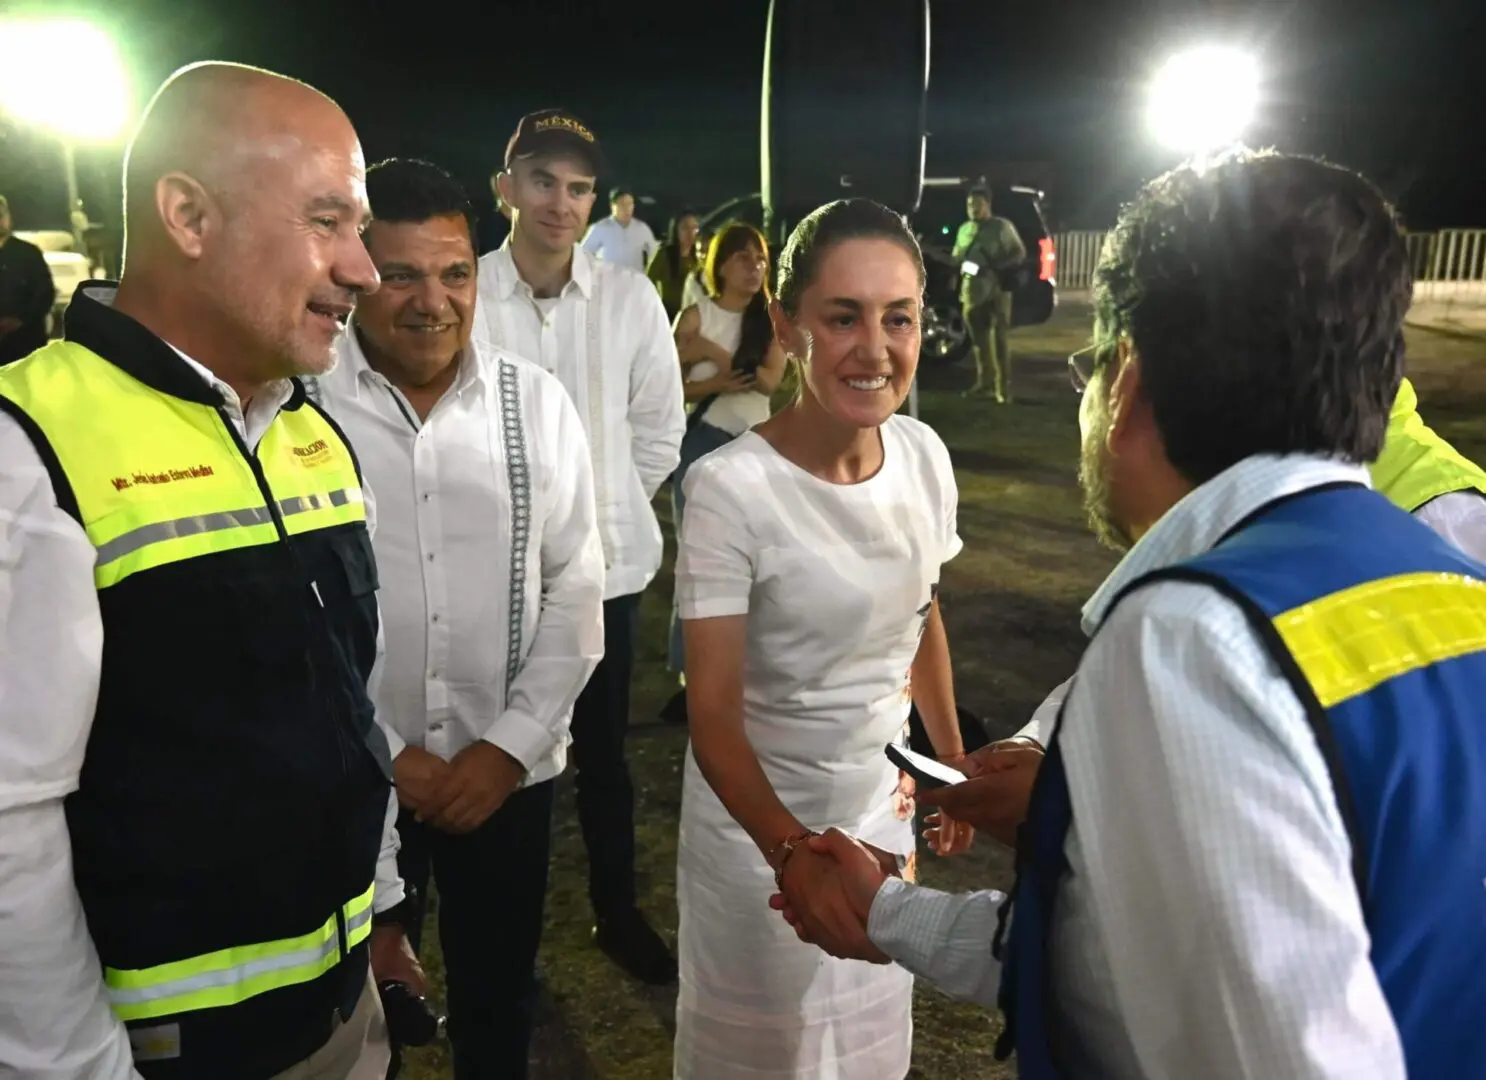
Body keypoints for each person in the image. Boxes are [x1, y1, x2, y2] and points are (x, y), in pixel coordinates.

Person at [775, 151, 1486, 1080]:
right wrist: (894, 912)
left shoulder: (1193, 636)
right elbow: (1156, 967)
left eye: (1091, 368)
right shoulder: (1449, 577)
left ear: (1128, 384)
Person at [0, 62, 422, 1079]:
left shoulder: (310, 433)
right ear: (188, 215)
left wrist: (381, 913)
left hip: (341, 1013)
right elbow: (9, 827)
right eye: (328, 220)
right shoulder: (28, 450)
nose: (364, 270)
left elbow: (347, 713)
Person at [310, 158, 605, 1078]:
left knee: (497, 997)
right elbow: (288, 617)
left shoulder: (537, 403)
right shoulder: (302, 406)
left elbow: (577, 585)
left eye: (455, 274)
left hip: (503, 779)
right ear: (358, 273)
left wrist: (507, 749)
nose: (432, 302)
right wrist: (383, 753)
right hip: (351, 777)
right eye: (400, 275)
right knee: (357, 1009)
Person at [674, 198, 975, 1079]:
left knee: (866, 1053)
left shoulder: (924, 455)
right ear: (786, 325)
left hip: (881, 823)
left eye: (898, 318)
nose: (875, 349)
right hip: (759, 838)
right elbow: (713, 715)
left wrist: (951, 765)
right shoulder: (731, 490)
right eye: (843, 318)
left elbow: (923, 614)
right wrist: (791, 853)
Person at [473, 109, 685, 983]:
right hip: (492, 579)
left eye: (579, 187)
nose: (560, 203)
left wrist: (600, 516)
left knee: (603, 757)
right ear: (506, 188)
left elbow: (658, 431)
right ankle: (489, 931)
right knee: (493, 753)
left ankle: (614, 907)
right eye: (542, 181)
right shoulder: (465, 293)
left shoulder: (629, 299)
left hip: (605, 575)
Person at [666, 221, 787, 677]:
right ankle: (689, 666)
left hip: (754, 446)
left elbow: (768, 382)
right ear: (720, 265)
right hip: (702, 441)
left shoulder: (770, 320)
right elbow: (666, 387)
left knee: (757, 556)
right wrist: (716, 383)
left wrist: (712, 353)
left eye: (760, 260)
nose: (754, 268)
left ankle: (749, 660)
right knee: (698, 556)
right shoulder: (694, 316)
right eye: (743, 258)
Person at [953, 186, 1024, 402]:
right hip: (972, 292)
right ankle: (985, 383)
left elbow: (1018, 252)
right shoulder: (964, 230)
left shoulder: (1002, 227)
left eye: (978, 204)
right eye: (970, 205)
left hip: (997, 292)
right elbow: (957, 257)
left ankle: (1003, 389)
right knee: (979, 342)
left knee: (999, 340)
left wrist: (997, 268)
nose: (973, 209)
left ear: (988, 205)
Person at [0, 193, 56, 365]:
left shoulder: (28, 253)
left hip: (24, 345)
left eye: (1, 215)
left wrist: (19, 320)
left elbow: (45, 293)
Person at [582, 186, 658, 271]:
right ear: (612, 206)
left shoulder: (642, 228)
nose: (627, 208)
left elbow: (655, 254)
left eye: (630, 204)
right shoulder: (600, 228)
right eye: (622, 204)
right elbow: (583, 254)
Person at [646, 209, 701, 321]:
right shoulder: (664, 254)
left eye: (694, 228)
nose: (690, 233)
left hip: (692, 312)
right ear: (676, 230)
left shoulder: (699, 255)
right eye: (685, 228)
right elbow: (647, 281)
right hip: (668, 313)